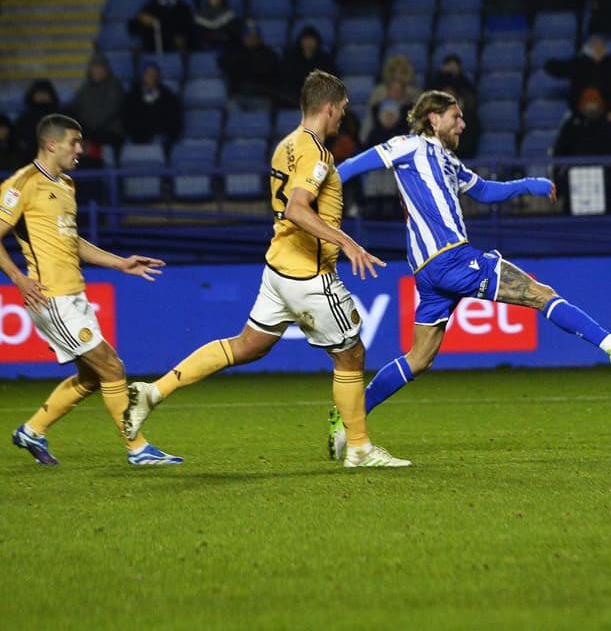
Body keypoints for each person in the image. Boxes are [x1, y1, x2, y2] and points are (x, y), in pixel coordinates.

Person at [327, 90, 611, 458]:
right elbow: (350, 167)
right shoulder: (406, 145)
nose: (463, 124)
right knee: (540, 293)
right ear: (433, 119)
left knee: (419, 358)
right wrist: (315, 194)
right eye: (455, 117)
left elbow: (486, 192)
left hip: (429, 271)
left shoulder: (448, 162)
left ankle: (348, 415)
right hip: (450, 259)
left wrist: (528, 185)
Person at [123, 71, 407, 468]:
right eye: (342, 109)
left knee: (245, 346)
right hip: (309, 275)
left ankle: (153, 392)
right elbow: (296, 208)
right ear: (329, 107)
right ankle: (358, 448)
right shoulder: (317, 154)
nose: (344, 116)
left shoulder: (284, 146)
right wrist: (348, 242)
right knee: (351, 354)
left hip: (278, 269)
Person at [5, 114, 181, 466]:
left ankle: (33, 430)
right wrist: (20, 281)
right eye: (75, 142)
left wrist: (120, 263)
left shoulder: (67, 185)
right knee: (112, 367)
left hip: (74, 294)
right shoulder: (22, 183)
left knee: (91, 376)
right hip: (50, 296)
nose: (81, 149)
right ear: (52, 144)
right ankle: (137, 448)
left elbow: (73, 242)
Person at [68, 53, 125, 147]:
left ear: (107, 69)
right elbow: (75, 107)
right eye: (95, 67)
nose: (98, 71)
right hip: (89, 130)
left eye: (101, 68)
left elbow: (110, 111)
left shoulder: (114, 86)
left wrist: (89, 124)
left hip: (110, 130)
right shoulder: (85, 88)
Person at [127, 0, 194, 54]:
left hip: (177, 52)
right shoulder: (149, 7)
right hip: (153, 51)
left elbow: (190, 29)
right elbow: (133, 29)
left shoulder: (184, 8)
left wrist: (183, 39)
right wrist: (140, 20)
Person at [123, 62, 183, 145]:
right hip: (138, 136)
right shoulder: (133, 96)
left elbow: (174, 118)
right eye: (148, 73)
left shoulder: (168, 96)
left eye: (154, 73)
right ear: (142, 75)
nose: (152, 76)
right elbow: (127, 117)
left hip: (162, 136)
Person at [281, 25, 337, 100]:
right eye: (306, 40)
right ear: (301, 41)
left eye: (312, 40)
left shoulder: (325, 59)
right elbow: (287, 81)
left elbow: (331, 79)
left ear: (317, 41)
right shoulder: (291, 59)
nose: (309, 43)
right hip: (295, 98)